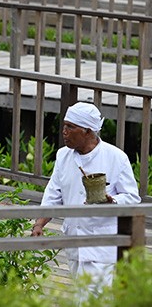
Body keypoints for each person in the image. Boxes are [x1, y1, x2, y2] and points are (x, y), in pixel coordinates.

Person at [31, 102, 140, 293]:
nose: (64, 131)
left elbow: (132, 197)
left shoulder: (116, 157)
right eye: (64, 125)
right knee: (83, 293)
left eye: (71, 127)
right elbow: (53, 193)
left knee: (94, 298)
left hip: (101, 241)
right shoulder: (63, 156)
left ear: (88, 132)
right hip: (73, 239)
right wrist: (39, 224)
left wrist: (112, 200)